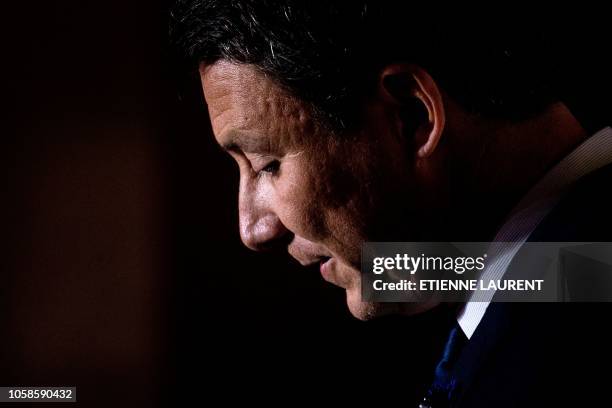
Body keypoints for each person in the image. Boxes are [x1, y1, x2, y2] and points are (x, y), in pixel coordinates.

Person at [171, 1, 611, 406]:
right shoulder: (563, 272)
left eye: (266, 163)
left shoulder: (546, 354)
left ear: (412, 118)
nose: (253, 228)